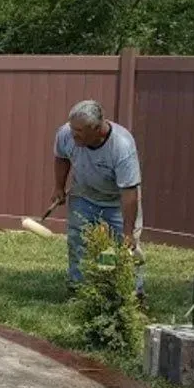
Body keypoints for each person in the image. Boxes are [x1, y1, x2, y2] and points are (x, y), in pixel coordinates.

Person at [52, 99, 145, 300]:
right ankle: (78, 290)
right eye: (72, 128)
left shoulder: (121, 145)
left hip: (117, 202)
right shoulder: (66, 134)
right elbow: (61, 156)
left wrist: (128, 232)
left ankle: (132, 295)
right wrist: (59, 187)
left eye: (79, 130)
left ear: (96, 129)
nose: (73, 133)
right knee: (78, 242)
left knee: (124, 249)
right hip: (83, 196)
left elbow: (129, 192)